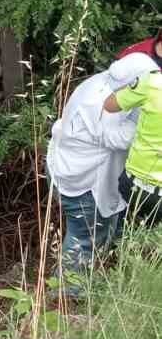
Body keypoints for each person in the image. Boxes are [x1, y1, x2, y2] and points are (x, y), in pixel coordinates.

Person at [46, 55, 157, 290]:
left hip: (69, 167)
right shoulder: (102, 101)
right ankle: (68, 296)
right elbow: (116, 138)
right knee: (85, 238)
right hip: (83, 181)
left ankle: (97, 278)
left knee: (106, 229)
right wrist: (149, 126)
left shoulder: (100, 81)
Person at [103, 59, 162, 226]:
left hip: (136, 184)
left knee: (124, 233)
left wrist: (133, 90)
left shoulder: (151, 83)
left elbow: (109, 105)